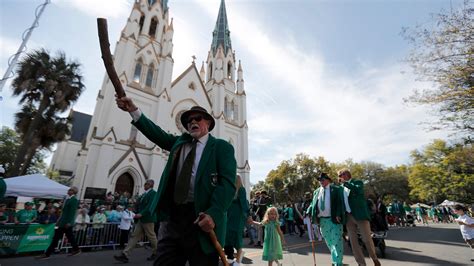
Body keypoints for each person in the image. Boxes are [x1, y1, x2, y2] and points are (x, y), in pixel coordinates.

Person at [114, 97, 237, 266]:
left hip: (202, 220)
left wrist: (213, 214)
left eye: (197, 118)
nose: (192, 121)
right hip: (174, 220)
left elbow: (227, 185)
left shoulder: (222, 148)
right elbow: (156, 133)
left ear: (208, 123)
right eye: (188, 120)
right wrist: (133, 110)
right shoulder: (179, 143)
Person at [338, 169, 381, 266]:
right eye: (339, 175)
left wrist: (345, 184)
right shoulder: (340, 188)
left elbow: (357, 190)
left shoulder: (357, 182)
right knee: (353, 242)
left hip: (360, 215)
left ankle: (374, 258)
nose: (341, 176)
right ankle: (361, 263)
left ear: (348, 174)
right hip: (348, 217)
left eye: (342, 174)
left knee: (366, 239)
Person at [114, 179, 157, 262]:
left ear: (151, 185)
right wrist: (135, 210)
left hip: (148, 218)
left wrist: (142, 213)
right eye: (145, 184)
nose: (144, 185)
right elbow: (139, 204)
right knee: (134, 236)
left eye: (146, 184)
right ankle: (125, 254)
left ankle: (157, 252)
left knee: (151, 236)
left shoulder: (153, 194)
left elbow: (150, 205)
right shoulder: (144, 194)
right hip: (141, 219)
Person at [308, 173, 346, 266]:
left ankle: (338, 263)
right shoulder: (317, 191)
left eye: (323, 179)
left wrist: (338, 214)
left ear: (328, 180)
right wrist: (309, 210)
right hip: (322, 221)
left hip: (334, 219)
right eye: (320, 180)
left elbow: (340, 203)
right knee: (329, 242)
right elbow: (313, 204)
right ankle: (334, 260)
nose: (321, 181)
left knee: (337, 241)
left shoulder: (336, 189)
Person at [36, 186, 81, 259]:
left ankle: (47, 254)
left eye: (70, 190)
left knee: (61, 238)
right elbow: (64, 212)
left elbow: (72, 212)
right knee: (63, 238)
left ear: (73, 192)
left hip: (66, 223)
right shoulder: (68, 199)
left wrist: (69, 222)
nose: (68, 191)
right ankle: (76, 249)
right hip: (63, 222)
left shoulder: (74, 200)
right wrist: (58, 221)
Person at [224, 174, 249, 266]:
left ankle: (237, 260)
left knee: (236, 236)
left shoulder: (241, 190)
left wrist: (248, 214)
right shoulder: (230, 190)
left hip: (237, 216)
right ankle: (230, 257)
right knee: (229, 235)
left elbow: (244, 203)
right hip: (230, 216)